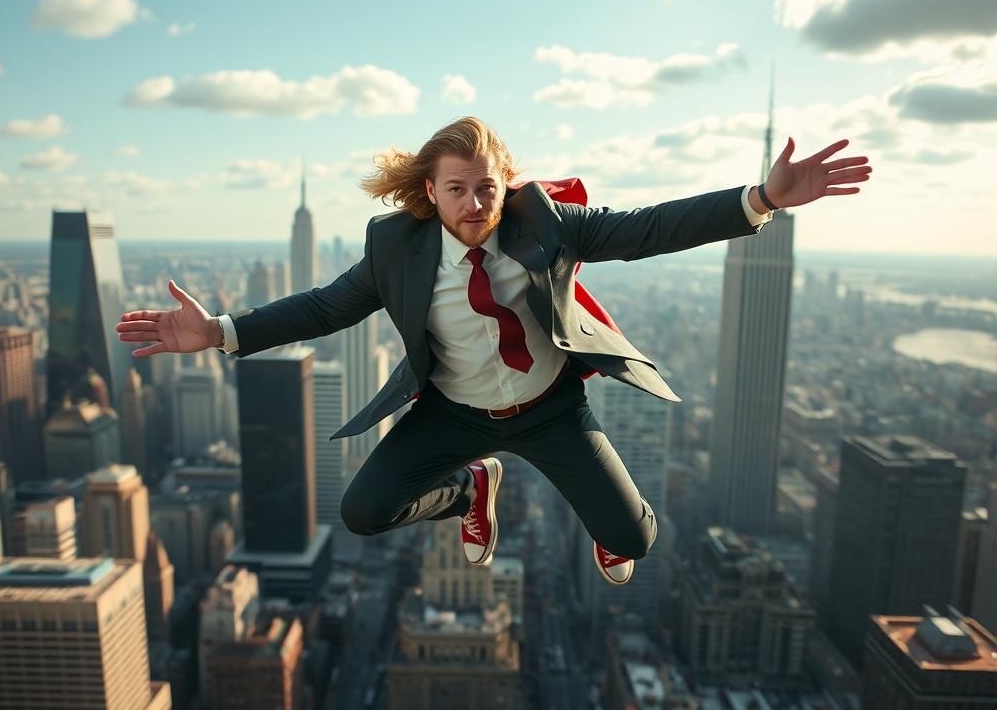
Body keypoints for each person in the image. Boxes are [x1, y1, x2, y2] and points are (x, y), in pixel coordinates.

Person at [115, 116, 871, 585]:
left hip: (550, 409)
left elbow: (649, 227)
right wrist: (218, 331)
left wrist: (761, 200)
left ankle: (586, 514)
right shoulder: (396, 249)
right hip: (454, 416)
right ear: (429, 194)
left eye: (486, 188)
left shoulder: (550, 223)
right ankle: (474, 488)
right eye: (456, 190)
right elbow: (323, 307)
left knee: (633, 535)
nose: (474, 205)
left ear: (506, 184)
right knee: (362, 510)